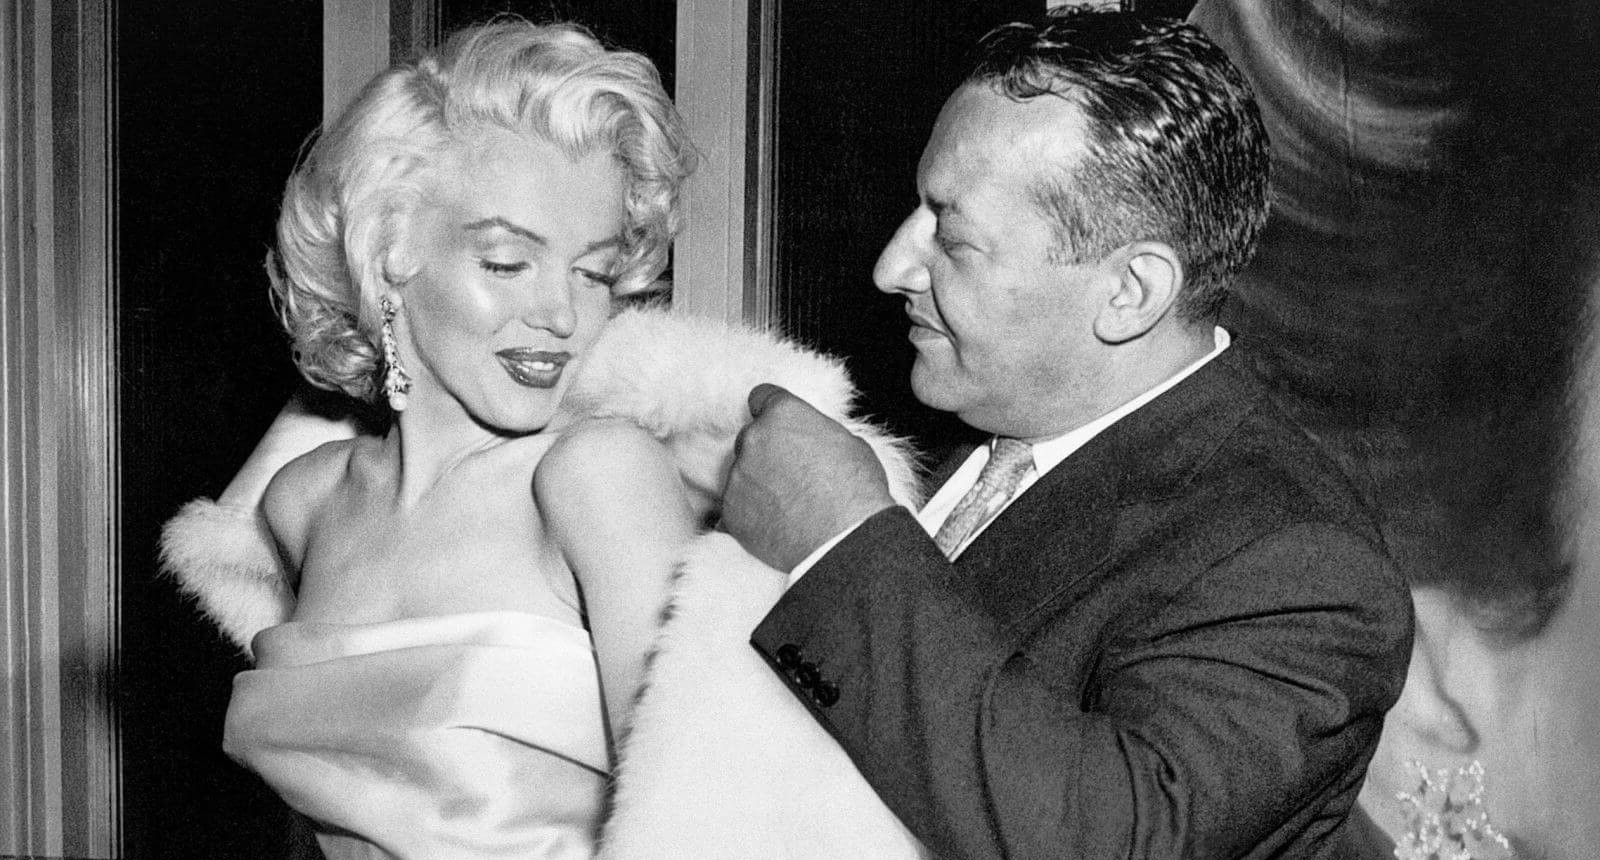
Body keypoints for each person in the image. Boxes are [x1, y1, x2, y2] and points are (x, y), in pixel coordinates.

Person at [160, 18, 929, 860]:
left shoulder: (598, 476)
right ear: (386, 257)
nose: (562, 315)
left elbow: (707, 827)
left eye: (594, 272)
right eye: (506, 262)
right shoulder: (303, 500)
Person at [721, 9, 1415, 859]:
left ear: (1130, 292)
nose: (892, 267)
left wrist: (841, 542)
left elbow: (1113, 841)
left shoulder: (1296, 562)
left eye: (953, 236)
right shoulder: (961, 437)